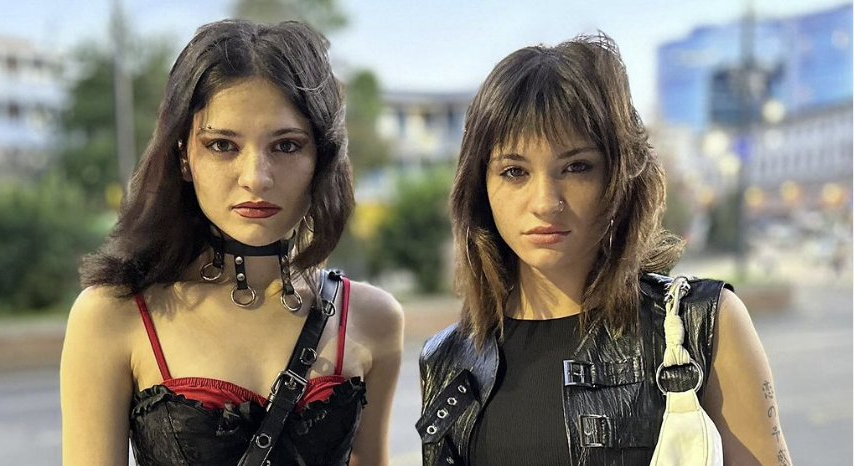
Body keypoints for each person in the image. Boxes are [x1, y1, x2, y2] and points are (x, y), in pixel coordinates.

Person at [418, 34, 792, 466]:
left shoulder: (701, 325)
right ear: (480, 187)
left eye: (576, 167)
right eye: (515, 171)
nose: (545, 202)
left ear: (619, 177)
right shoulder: (447, 360)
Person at [60, 19, 403, 466]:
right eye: (223, 145)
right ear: (184, 155)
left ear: (322, 155)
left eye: (286, 146)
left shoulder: (374, 318)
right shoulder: (112, 314)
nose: (256, 178)